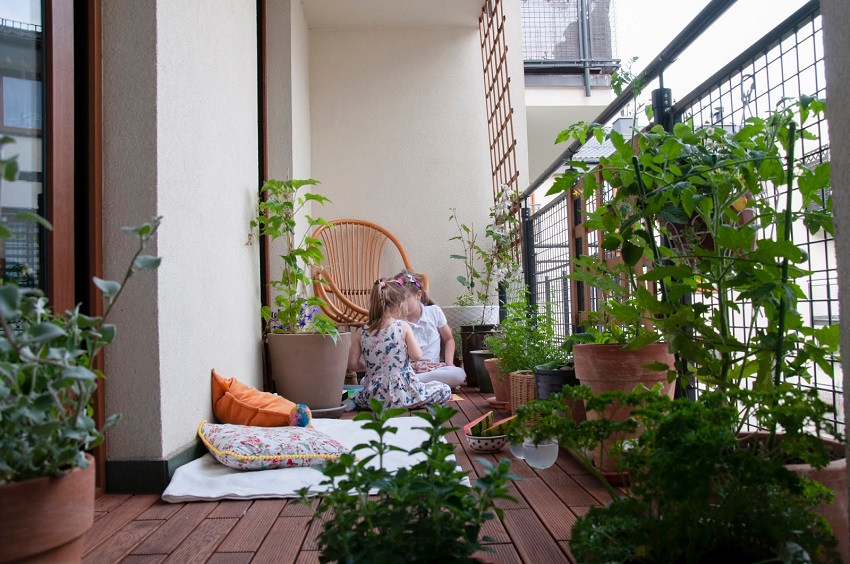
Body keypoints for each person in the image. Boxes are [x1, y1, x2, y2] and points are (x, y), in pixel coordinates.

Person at [344, 278, 452, 411]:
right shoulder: (402, 326)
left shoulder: (362, 331)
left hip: (375, 396)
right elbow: (417, 356)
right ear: (400, 305)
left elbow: (352, 364)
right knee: (444, 389)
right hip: (404, 394)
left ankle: (354, 401)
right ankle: (412, 404)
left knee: (359, 394)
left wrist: (370, 368)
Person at [391, 270, 466, 389]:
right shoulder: (395, 320)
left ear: (418, 295)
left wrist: (449, 363)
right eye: (398, 299)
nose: (402, 303)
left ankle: (411, 384)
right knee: (366, 380)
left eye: (406, 298)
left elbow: (449, 339)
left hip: (433, 369)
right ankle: (421, 384)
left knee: (459, 374)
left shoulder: (434, 312)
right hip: (407, 370)